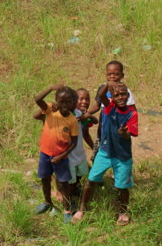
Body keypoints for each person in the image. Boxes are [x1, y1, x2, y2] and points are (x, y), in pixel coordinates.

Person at [72, 81, 138, 226]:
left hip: (123, 156)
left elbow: (130, 134)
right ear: (112, 98)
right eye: (117, 95)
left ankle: (123, 212)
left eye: (123, 94)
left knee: (122, 186)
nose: (120, 97)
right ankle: (82, 209)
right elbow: (101, 94)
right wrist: (109, 84)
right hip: (105, 152)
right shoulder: (108, 107)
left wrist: (124, 133)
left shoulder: (132, 113)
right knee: (91, 180)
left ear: (128, 96)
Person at [34, 84, 79, 223]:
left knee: (63, 183)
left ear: (73, 102)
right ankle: (47, 202)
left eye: (68, 101)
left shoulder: (72, 120)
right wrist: (51, 88)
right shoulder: (50, 110)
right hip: (45, 153)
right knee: (45, 179)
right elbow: (37, 99)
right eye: (61, 101)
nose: (64, 104)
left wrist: (60, 156)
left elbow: (74, 143)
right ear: (56, 101)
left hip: (61, 157)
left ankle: (66, 210)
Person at [87, 61, 136, 163]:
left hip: (118, 131)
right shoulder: (102, 89)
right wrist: (86, 113)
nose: (112, 77)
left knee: (118, 153)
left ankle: (118, 173)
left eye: (116, 74)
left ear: (122, 75)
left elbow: (132, 110)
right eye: (109, 74)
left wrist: (128, 128)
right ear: (106, 75)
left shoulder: (125, 92)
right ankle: (96, 175)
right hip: (103, 130)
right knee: (99, 154)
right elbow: (96, 106)